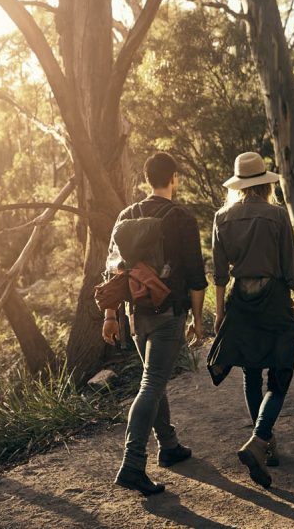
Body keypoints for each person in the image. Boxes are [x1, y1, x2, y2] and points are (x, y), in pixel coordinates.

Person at [207, 151, 294, 489]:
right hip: (273, 301)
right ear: (264, 183)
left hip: (240, 301)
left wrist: (221, 314)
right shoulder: (277, 215)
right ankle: (259, 441)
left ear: (239, 185)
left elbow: (219, 274)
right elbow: (291, 270)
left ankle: (265, 445)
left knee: (251, 373)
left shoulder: (221, 218)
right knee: (280, 375)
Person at [103, 152, 208, 496]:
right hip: (168, 313)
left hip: (135, 316)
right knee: (151, 383)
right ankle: (133, 464)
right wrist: (197, 319)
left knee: (155, 377)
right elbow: (195, 276)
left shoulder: (125, 215)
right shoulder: (181, 218)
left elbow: (111, 270)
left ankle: (169, 445)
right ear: (173, 178)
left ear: (147, 179)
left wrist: (109, 316)